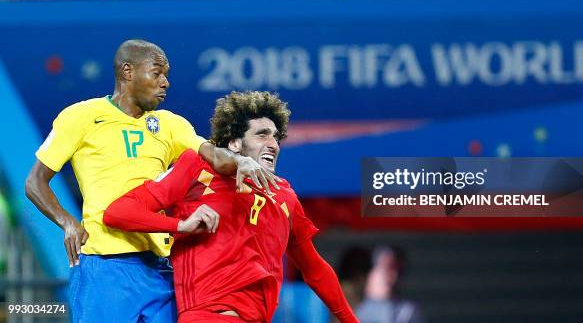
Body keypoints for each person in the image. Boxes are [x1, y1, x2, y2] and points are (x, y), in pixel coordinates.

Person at [25, 40, 278, 322]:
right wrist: (67, 221)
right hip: (106, 268)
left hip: (161, 269)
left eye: (166, 75)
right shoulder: (81, 116)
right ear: (128, 72)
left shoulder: (170, 124)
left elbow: (215, 157)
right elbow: (35, 182)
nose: (165, 83)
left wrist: (241, 160)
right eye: (156, 73)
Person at [104, 91, 358, 322]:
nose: (273, 143)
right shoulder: (197, 168)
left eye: (276, 137)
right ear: (235, 143)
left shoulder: (285, 195)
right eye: (262, 134)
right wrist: (179, 225)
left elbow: (315, 270)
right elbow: (118, 213)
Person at [357, 246, 426, 323]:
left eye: (399, 270)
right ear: (371, 273)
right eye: (387, 268)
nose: (394, 275)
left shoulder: (407, 312)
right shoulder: (353, 308)